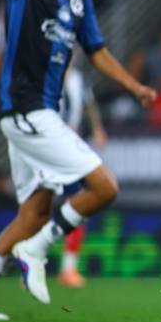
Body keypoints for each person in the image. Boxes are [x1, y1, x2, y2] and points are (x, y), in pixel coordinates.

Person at [0, 0, 155, 319]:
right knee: (104, 187)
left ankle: (20, 252)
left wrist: (134, 87)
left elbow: (97, 52)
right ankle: (38, 248)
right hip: (27, 111)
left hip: (40, 115)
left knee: (35, 211)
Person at [58, 62, 109, 288]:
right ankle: (29, 264)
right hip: (50, 145)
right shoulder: (48, 75)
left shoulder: (79, 78)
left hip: (70, 146)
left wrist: (97, 127)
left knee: (78, 203)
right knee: (37, 208)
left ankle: (68, 268)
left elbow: (88, 104)